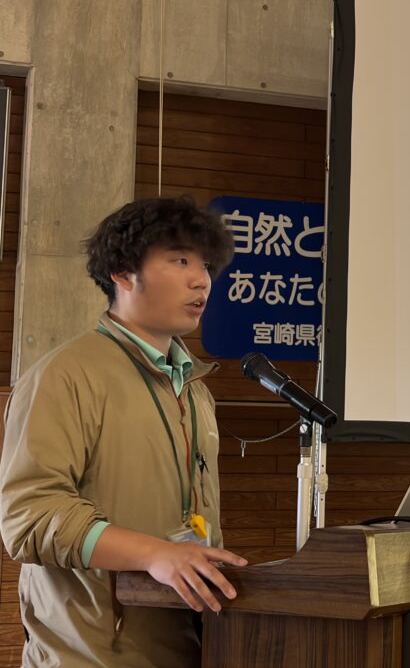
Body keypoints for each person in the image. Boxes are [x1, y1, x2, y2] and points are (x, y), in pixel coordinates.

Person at [0, 195, 248, 667]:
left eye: (205, 265)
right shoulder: (65, 375)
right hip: (90, 653)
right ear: (123, 272)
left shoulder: (195, 389)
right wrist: (153, 553)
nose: (201, 280)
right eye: (180, 261)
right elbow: (28, 517)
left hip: (184, 644)